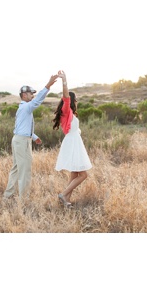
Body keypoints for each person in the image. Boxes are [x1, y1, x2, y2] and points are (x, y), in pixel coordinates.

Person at [3, 74, 59, 200]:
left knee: (16, 169)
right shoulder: (27, 107)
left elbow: (20, 126)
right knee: (25, 171)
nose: (32, 95)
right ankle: (24, 200)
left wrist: (34, 137)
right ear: (24, 95)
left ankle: (8, 196)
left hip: (19, 139)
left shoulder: (22, 108)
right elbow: (38, 100)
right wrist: (48, 85)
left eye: (33, 93)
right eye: (30, 94)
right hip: (22, 142)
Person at [52, 70, 93, 207]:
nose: (76, 101)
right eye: (75, 99)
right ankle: (63, 194)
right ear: (71, 100)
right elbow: (66, 96)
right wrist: (64, 80)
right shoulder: (66, 110)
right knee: (83, 175)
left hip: (75, 143)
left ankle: (66, 200)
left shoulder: (71, 114)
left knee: (74, 174)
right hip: (72, 144)